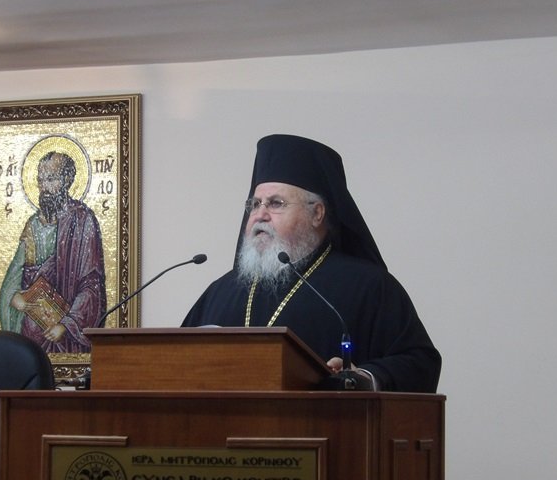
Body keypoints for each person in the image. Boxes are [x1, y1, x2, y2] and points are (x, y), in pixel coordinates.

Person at [182, 134, 440, 392]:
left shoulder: (369, 287)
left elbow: (420, 362)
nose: (260, 215)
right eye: (255, 204)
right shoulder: (220, 292)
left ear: (317, 213)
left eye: (275, 203)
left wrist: (363, 377)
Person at [0, 150, 107, 353]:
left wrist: (67, 324)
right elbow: (14, 275)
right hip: (31, 333)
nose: (44, 187)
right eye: (40, 180)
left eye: (51, 179)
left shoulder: (83, 221)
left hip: (66, 334)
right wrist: (13, 296)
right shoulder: (32, 225)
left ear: (66, 180)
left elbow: (91, 285)